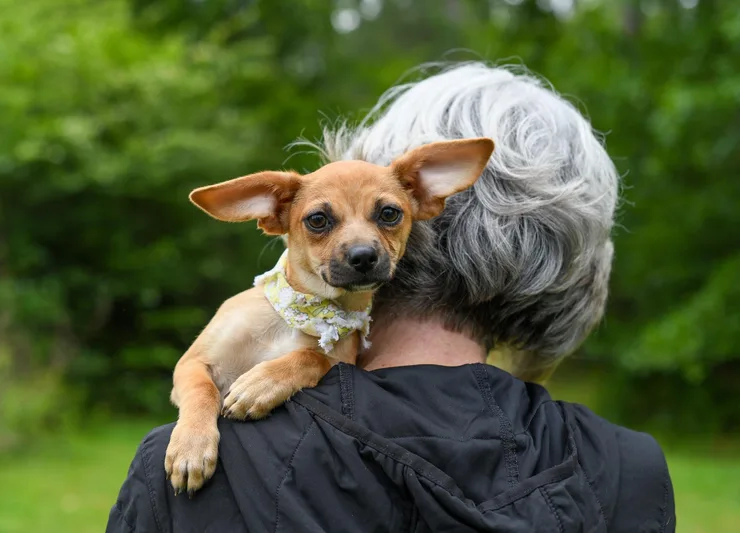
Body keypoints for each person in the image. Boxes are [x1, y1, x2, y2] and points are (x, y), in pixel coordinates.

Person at [105, 62, 675, 532]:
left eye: (385, 213)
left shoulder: (186, 470)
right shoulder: (631, 471)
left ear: (425, 202)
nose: (359, 243)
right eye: (325, 219)